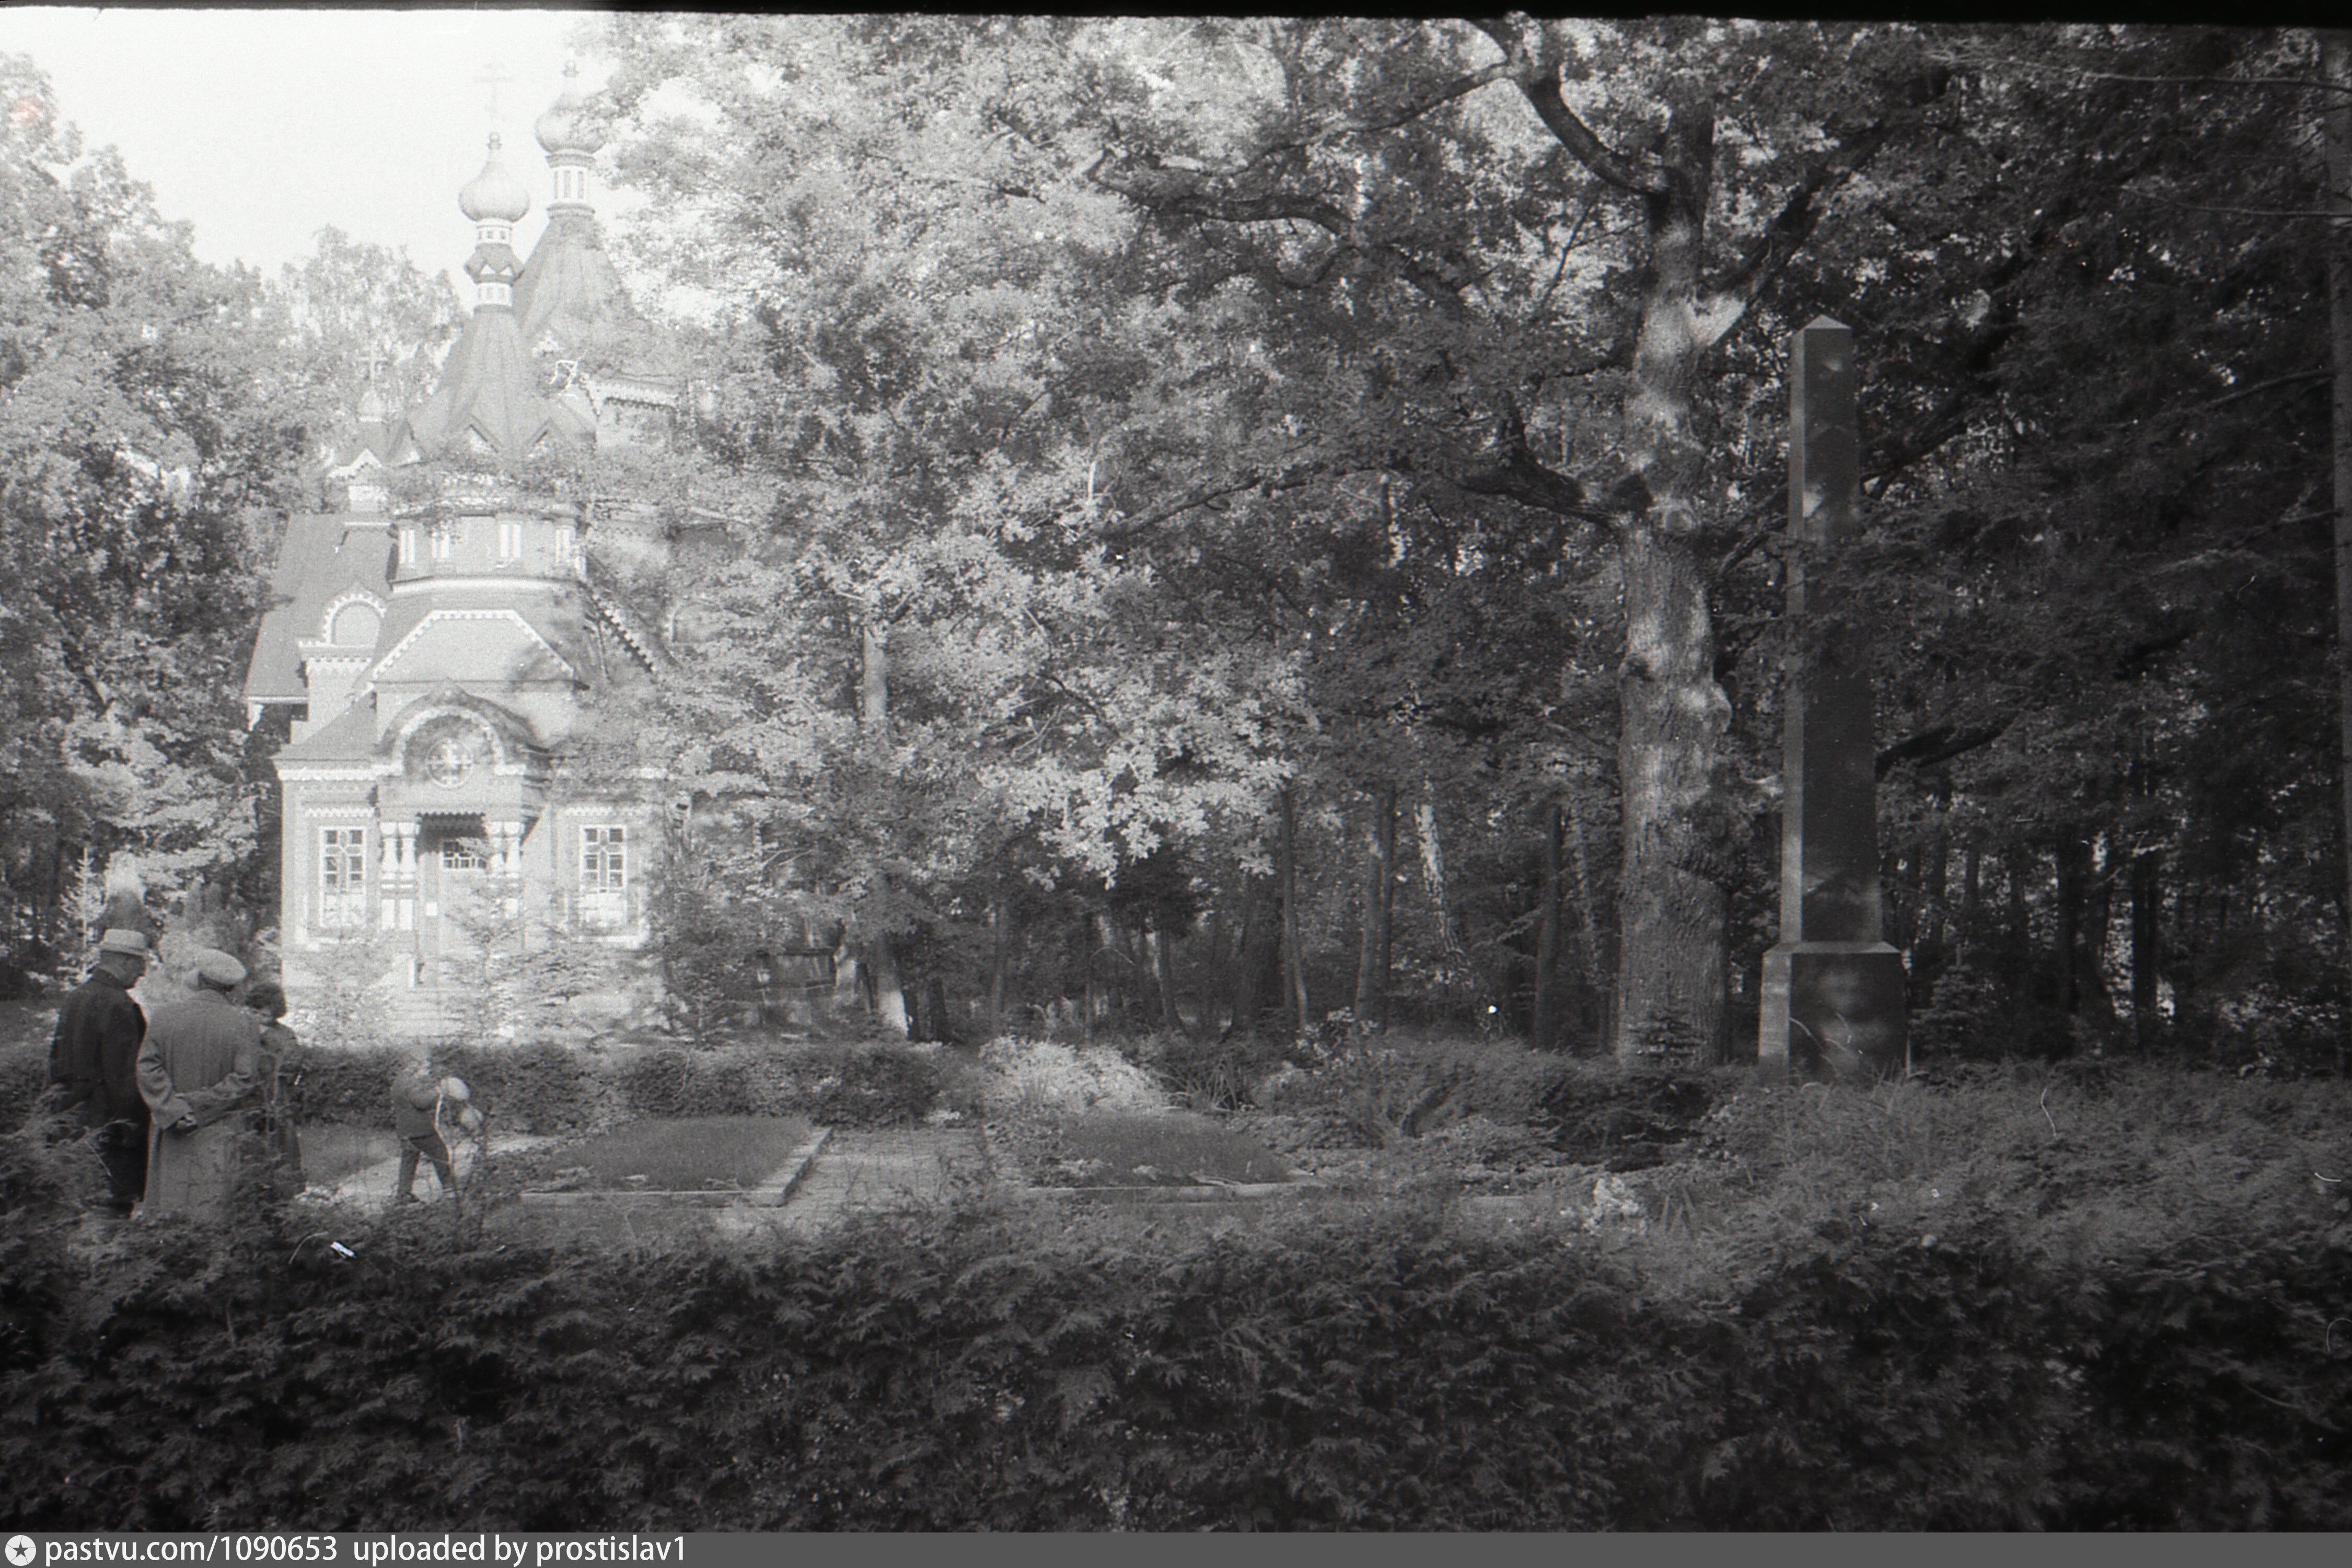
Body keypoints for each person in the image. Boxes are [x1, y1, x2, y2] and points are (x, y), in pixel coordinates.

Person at [136, 948, 263, 1219]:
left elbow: (147, 1068)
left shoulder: (164, 1016)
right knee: (212, 1208)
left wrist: (174, 1108)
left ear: (199, 980)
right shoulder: (244, 1023)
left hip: (173, 1127)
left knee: (168, 1208)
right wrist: (198, 1106)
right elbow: (245, 1078)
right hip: (218, 1127)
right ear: (233, 988)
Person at [47, 928, 154, 1214]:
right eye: (139, 964)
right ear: (125, 962)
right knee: (112, 1208)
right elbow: (125, 1077)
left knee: (78, 1206)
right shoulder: (119, 1004)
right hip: (110, 1127)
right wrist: (134, 1128)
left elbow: (56, 1061)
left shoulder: (76, 997)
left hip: (74, 1121)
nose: (142, 973)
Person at [241, 978, 306, 1197]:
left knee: (282, 1151)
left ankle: (284, 1194)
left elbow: (293, 1063)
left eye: (266, 1012)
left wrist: (265, 1036)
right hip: (249, 1103)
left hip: (278, 1104)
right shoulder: (242, 1031)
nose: (260, 1017)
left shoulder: (284, 1034)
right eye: (255, 1011)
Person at [392, 1058, 480, 1204]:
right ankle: (449, 1189)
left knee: (409, 1161)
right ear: (416, 1067)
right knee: (440, 1153)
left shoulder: (399, 1082)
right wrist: (439, 1092)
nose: (426, 1072)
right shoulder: (412, 1083)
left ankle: (403, 1194)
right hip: (420, 1131)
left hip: (405, 1130)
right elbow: (421, 1102)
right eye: (425, 1068)